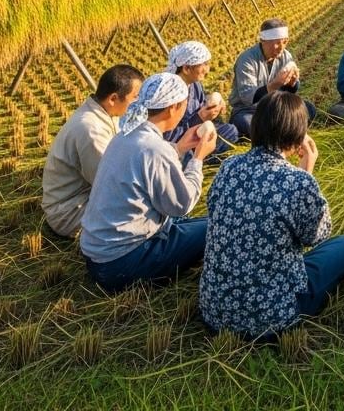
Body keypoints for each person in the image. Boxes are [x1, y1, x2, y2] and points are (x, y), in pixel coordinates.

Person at [200, 92, 344, 337]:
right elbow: (316, 235)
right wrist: (307, 170)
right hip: (273, 316)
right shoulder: (298, 182)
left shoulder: (227, 167)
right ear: (298, 136)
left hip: (215, 310)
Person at [80, 72, 216, 293]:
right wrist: (198, 158)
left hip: (98, 255)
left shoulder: (126, 135)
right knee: (215, 228)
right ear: (173, 108)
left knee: (198, 223)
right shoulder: (154, 148)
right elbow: (181, 204)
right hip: (121, 264)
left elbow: (149, 164)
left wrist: (180, 148)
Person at [42, 64, 144, 238]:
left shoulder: (105, 114)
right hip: (70, 212)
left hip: (83, 198)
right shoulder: (91, 129)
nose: (138, 103)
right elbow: (109, 184)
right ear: (113, 98)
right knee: (142, 215)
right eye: (135, 97)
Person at [229, 19, 316, 138]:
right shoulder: (247, 60)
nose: (281, 48)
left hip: (276, 106)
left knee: (308, 109)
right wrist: (275, 84)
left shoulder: (286, 55)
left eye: (284, 42)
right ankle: (282, 131)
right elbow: (248, 98)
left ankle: (279, 130)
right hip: (250, 110)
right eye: (276, 43)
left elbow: (289, 92)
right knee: (247, 123)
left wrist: (292, 83)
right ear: (263, 41)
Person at [161, 41, 239, 157]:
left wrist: (212, 105)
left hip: (198, 131)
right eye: (204, 65)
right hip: (177, 142)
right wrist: (200, 118)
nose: (207, 70)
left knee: (231, 131)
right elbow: (168, 135)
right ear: (187, 68)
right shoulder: (169, 93)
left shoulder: (195, 84)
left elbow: (201, 104)